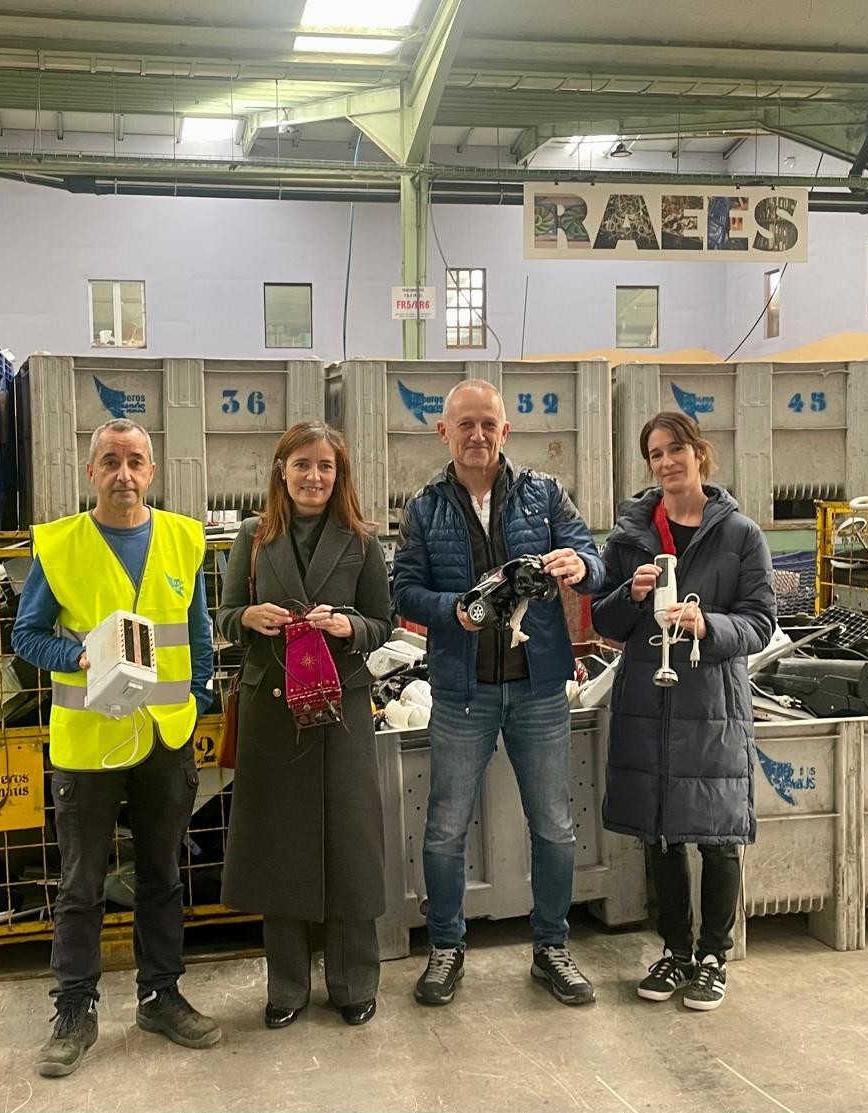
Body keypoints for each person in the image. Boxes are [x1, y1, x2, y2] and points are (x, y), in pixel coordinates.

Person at [13, 418, 221, 1078]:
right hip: (89, 741)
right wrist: (79, 654)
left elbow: (198, 631)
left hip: (165, 735)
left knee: (162, 875)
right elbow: (27, 635)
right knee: (80, 882)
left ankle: (160, 996)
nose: (123, 474)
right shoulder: (62, 544)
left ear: (152, 472)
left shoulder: (183, 539)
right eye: (110, 461)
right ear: (91, 472)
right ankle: (74, 1007)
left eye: (135, 462)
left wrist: (202, 694)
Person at [391, 379, 605, 1008]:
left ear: (505, 431)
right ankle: (446, 949)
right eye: (466, 425)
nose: (478, 435)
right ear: (444, 433)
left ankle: (551, 948)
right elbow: (402, 589)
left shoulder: (544, 495)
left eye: (489, 424)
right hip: (462, 692)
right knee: (445, 828)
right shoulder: (425, 508)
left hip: (539, 691)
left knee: (557, 827)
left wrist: (577, 567)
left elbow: (593, 557)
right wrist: (452, 609)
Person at [591, 410, 775, 1012]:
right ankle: (674, 951)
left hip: (712, 703)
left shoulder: (740, 534)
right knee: (661, 833)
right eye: (654, 454)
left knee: (718, 834)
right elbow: (604, 621)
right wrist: (631, 593)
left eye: (676, 450)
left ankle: (714, 958)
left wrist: (708, 624)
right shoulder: (630, 536)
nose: (666, 462)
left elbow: (760, 621)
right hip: (648, 699)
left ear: (700, 453)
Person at [216, 421, 393, 1029]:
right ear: (281, 471)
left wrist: (349, 627)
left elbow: (382, 623)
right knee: (279, 846)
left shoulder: (364, 542)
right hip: (273, 708)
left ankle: (352, 982)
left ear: (339, 475)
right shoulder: (253, 537)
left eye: (325, 466)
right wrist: (250, 617)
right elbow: (224, 615)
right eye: (302, 465)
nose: (314, 477)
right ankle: (287, 987)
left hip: (342, 708)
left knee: (349, 842)